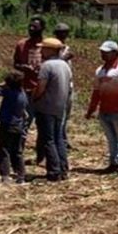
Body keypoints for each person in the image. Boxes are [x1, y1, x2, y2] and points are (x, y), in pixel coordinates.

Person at [85, 41, 118, 175]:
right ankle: (114, 163)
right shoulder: (100, 71)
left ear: (116, 53)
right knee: (112, 139)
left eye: (107, 52)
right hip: (105, 111)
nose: (103, 55)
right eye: (102, 52)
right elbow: (96, 92)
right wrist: (91, 109)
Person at [33, 38, 72, 181]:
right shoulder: (65, 65)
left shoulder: (47, 66)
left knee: (48, 139)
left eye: (43, 48)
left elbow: (41, 87)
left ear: (50, 50)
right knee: (58, 138)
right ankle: (63, 168)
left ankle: (54, 171)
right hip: (60, 107)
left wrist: (34, 98)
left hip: (46, 107)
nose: (41, 51)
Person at [0, 70, 29, 184]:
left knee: (3, 150)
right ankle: (21, 175)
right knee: (17, 151)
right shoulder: (22, 93)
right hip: (19, 125)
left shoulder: (8, 92)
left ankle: (5, 175)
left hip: (7, 124)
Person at [13, 17, 46, 164]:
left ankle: (41, 156)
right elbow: (15, 64)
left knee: (43, 125)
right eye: (30, 27)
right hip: (26, 89)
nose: (31, 29)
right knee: (24, 122)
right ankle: (18, 154)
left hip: (43, 90)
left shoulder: (47, 45)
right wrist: (24, 68)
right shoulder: (21, 44)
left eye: (35, 27)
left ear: (42, 29)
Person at [53, 23, 76, 153]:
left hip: (68, 84)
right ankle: (59, 140)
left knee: (66, 114)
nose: (63, 35)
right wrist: (63, 58)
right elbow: (52, 64)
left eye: (65, 33)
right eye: (60, 33)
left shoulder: (66, 47)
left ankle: (63, 138)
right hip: (58, 86)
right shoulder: (52, 47)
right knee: (59, 114)